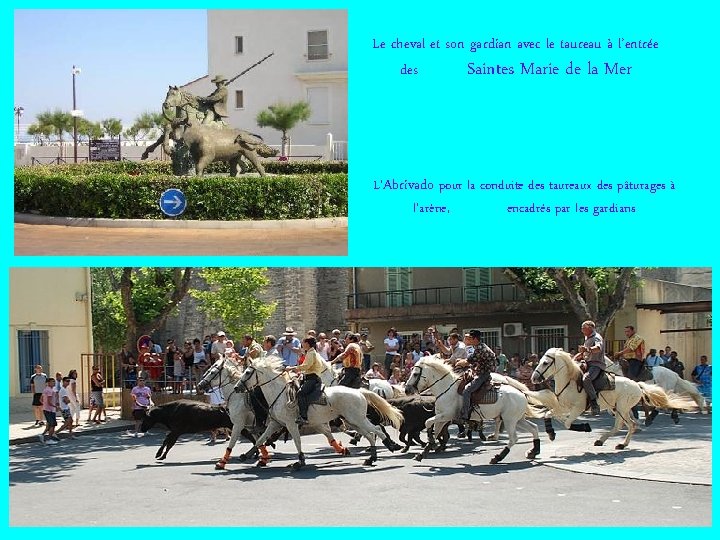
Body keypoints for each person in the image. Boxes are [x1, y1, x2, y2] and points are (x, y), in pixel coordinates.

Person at [458, 330, 496, 421]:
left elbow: (467, 361)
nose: (467, 340)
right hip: (480, 371)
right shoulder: (479, 347)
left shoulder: (480, 349)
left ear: (475, 339)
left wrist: (457, 362)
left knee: (467, 391)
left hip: (483, 374)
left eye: (470, 338)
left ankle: (465, 414)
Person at [573, 320, 605, 416]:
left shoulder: (597, 337)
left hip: (596, 364)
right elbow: (584, 353)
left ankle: (594, 403)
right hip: (587, 363)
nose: (581, 330)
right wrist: (574, 358)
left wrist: (586, 349)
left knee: (586, 378)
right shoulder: (587, 338)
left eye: (583, 328)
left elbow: (598, 348)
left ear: (590, 327)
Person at [293, 337, 325, 425]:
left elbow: (307, 365)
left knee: (301, 393)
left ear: (307, 344)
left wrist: (294, 368)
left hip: (312, 378)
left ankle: (304, 417)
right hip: (310, 376)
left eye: (303, 342)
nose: (302, 344)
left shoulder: (311, 353)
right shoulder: (312, 352)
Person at [39, 377, 59, 445]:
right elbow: (49, 402)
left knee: (50, 424)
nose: (54, 382)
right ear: (48, 383)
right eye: (52, 382)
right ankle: (49, 439)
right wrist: (56, 406)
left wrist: (44, 405)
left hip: (46, 409)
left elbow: (41, 399)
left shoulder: (45, 390)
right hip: (50, 410)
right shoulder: (50, 390)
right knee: (52, 424)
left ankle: (42, 435)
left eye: (54, 381)